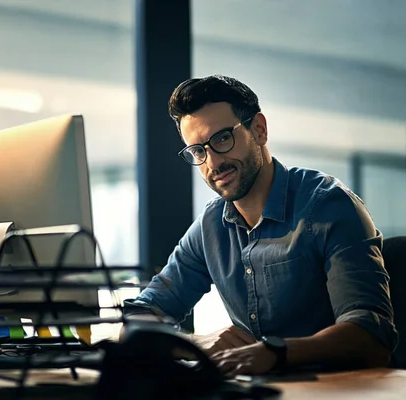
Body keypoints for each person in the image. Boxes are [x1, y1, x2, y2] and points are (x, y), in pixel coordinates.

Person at [124, 75, 397, 376]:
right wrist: (195, 343)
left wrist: (274, 352)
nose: (213, 163)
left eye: (222, 139)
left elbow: (371, 336)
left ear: (259, 130)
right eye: (199, 151)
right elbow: (137, 322)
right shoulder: (210, 228)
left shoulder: (328, 207)